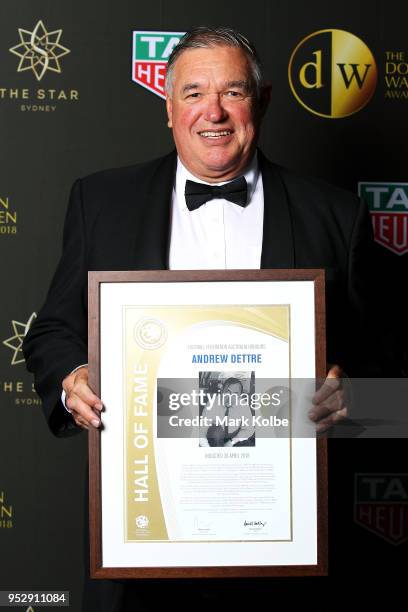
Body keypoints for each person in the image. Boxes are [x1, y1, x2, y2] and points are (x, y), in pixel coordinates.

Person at [22, 25, 393, 612]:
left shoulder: (335, 214)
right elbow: (51, 331)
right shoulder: (102, 201)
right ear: (168, 107)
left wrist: (355, 397)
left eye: (233, 92)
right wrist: (71, 379)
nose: (213, 112)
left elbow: (387, 371)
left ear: (262, 101)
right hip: (143, 548)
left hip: (286, 548)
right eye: (193, 93)